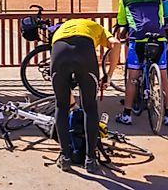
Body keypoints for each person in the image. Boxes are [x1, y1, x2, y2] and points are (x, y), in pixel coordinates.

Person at [50, 18, 121, 174]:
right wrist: (108, 76)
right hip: (85, 52)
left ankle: (65, 157)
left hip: (59, 51)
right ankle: (90, 159)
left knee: (61, 106)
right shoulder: (95, 27)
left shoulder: (61, 30)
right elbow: (115, 44)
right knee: (89, 108)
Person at [115, 0, 168, 126]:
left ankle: (126, 114)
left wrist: (122, 30)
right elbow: (161, 17)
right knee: (164, 77)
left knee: (133, 78)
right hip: (159, 38)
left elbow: (122, 19)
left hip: (138, 40)